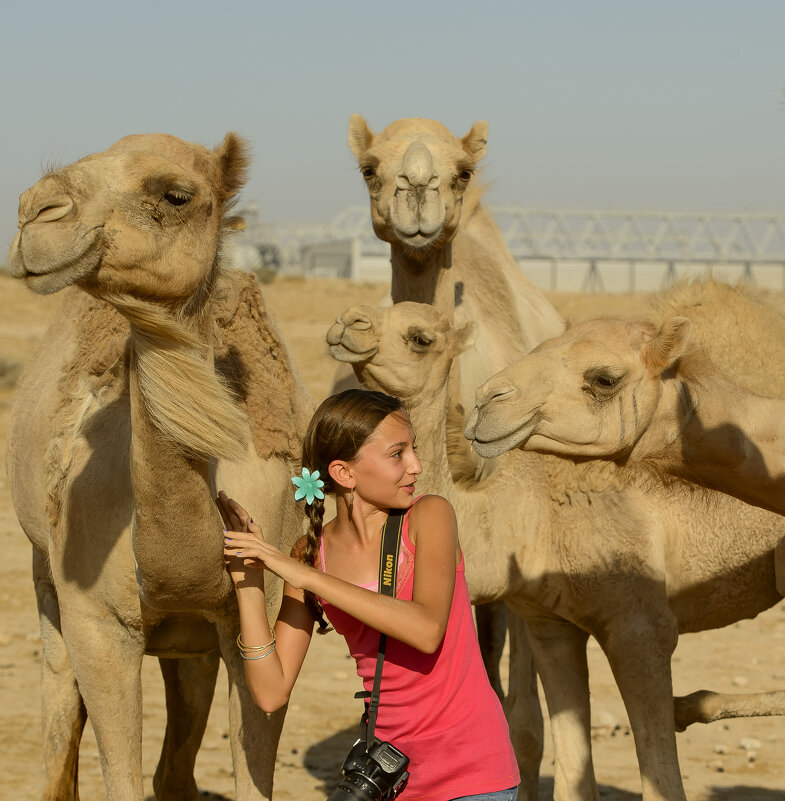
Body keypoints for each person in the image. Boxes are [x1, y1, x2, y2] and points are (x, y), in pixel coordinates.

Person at [219, 388, 520, 800]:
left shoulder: (430, 517)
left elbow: (427, 629)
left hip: (473, 776)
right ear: (345, 473)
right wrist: (248, 583)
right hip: (390, 778)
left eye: (413, 450)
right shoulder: (311, 555)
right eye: (398, 454)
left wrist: (303, 576)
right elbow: (271, 692)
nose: (415, 465)